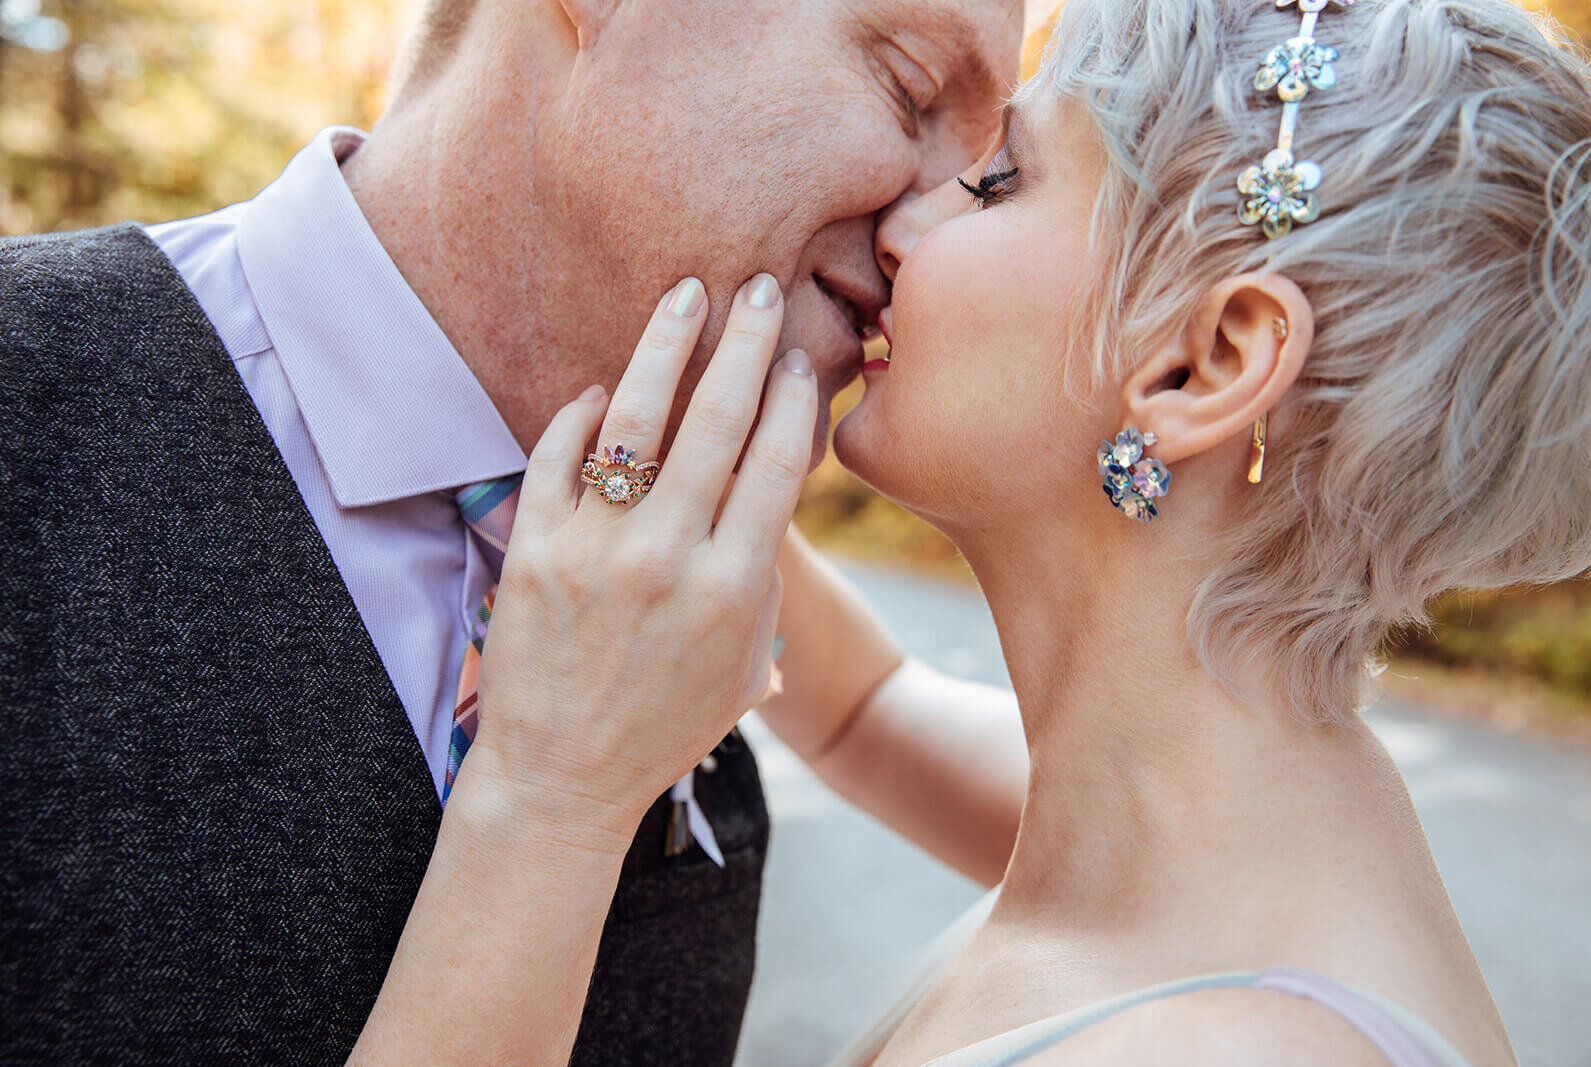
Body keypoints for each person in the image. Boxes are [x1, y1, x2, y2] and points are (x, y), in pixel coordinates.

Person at [455, 0, 1591, 1062]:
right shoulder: (1192, 823)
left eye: (997, 178)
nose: (899, 217)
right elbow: (863, 712)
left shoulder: (1244, 1049)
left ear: (1205, 363)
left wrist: (550, 795)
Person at [0, 0, 1029, 1062]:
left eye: (996, 163)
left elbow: (870, 707)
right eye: (909, 89)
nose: (945, 225)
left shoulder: (690, 547)